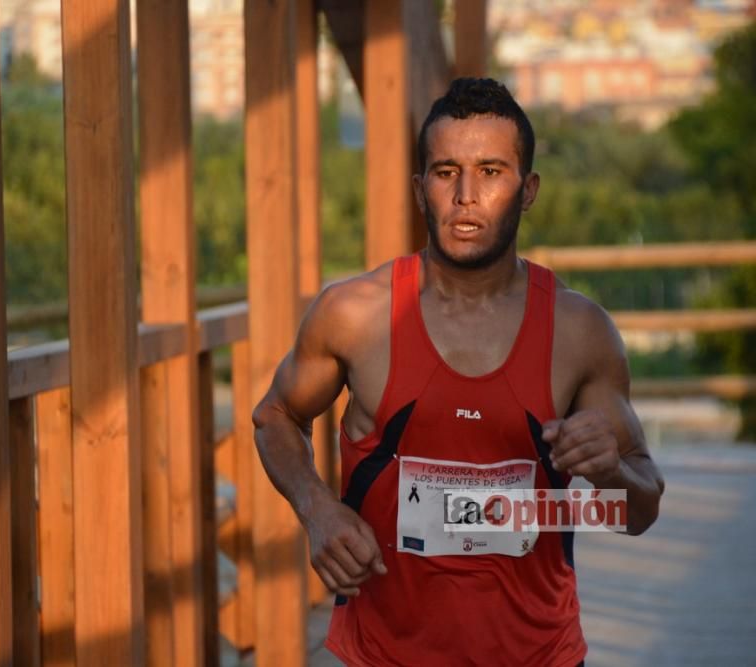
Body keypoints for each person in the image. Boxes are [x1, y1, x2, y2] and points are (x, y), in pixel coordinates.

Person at [251, 78, 665, 666]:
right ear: (422, 190)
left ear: (528, 191)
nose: (466, 194)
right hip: (382, 654)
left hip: (539, 652)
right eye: (447, 172)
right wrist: (316, 509)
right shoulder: (355, 314)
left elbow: (639, 512)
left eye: (492, 172)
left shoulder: (579, 333)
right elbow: (274, 416)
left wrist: (611, 475)